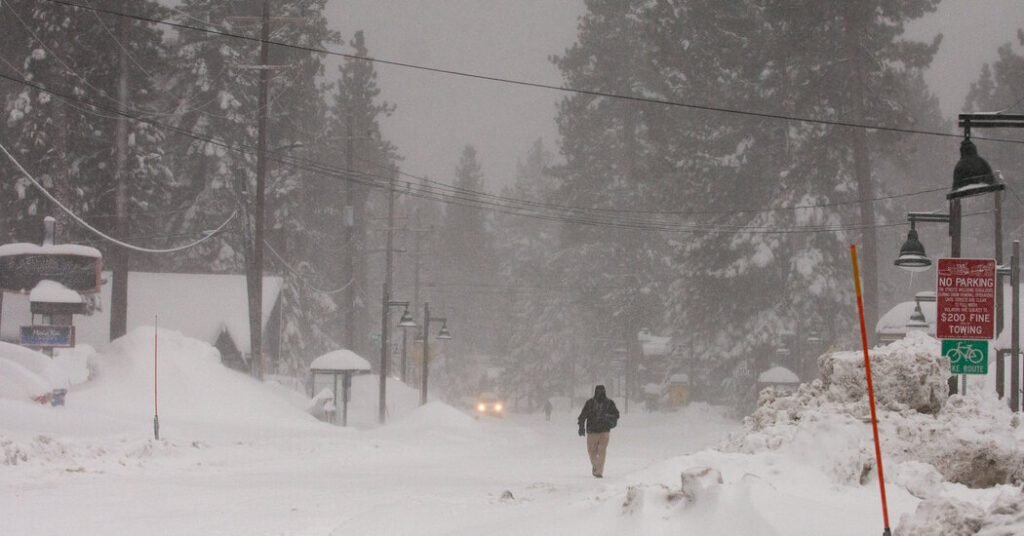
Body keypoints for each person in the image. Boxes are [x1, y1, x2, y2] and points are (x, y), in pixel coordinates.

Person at [577, 385, 619, 478]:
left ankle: (598, 470)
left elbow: (616, 415)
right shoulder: (594, 403)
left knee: (597, 452)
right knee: (597, 452)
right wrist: (581, 426)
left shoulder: (600, 403)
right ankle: (597, 468)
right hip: (597, 431)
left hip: (599, 431)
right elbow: (583, 416)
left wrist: (607, 417)